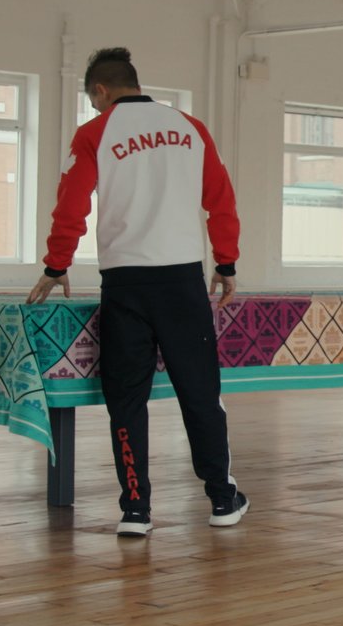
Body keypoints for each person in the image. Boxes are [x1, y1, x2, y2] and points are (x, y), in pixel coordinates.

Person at [27, 47, 246, 536]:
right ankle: (221, 498)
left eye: (92, 101)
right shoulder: (191, 128)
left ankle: (135, 510)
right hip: (182, 282)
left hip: (125, 284)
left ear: (101, 91)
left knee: (126, 399)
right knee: (200, 394)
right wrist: (226, 262)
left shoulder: (94, 134)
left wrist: (56, 264)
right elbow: (220, 200)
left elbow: (71, 204)